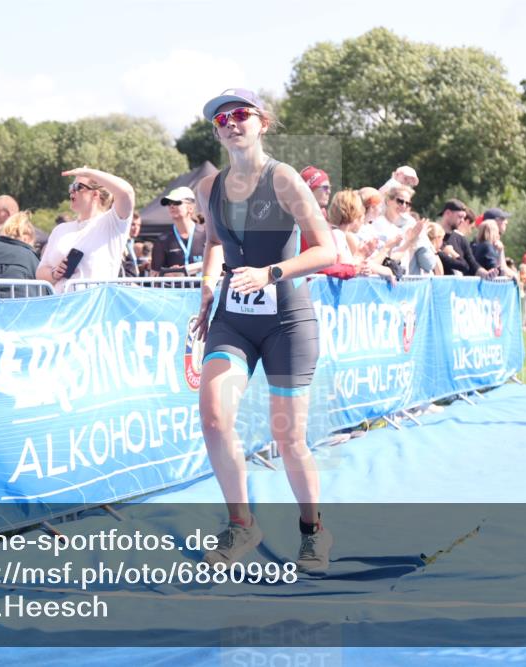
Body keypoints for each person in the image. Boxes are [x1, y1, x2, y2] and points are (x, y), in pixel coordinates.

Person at [193, 88, 336, 573]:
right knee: (214, 418)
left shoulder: (285, 179)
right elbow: (213, 241)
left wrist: (272, 273)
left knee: (289, 438)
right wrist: (209, 286)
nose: (231, 123)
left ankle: (313, 530)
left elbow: (327, 250)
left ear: (262, 123)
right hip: (233, 319)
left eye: (241, 115)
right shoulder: (208, 188)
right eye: (222, 119)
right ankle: (242, 526)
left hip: (286, 320)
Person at [36, 167, 135, 293]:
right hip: (61, 306)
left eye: (78, 187)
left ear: (95, 194)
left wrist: (89, 172)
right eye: (71, 187)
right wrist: (54, 273)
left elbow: (127, 193)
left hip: (95, 307)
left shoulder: (112, 223)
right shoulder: (60, 230)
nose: (72, 191)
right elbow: (40, 272)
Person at [151, 187, 206, 278]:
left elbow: (221, 264)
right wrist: (168, 274)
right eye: (169, 203)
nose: (171, 206)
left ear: (190, 208)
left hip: (203, 290)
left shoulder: (207, 234)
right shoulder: (163, 239)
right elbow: (154, 275)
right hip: (175, 291)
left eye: (177, 203)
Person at [437, 199, 496, 278]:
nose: (462, 221)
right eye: (460, 217)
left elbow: (472, 265)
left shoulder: (460, 239)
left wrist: (487, 274)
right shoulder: (433, 236)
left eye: (464, 217)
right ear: (448, 213)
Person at [119, 212, 143, 278]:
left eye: (139, 225)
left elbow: (130, 265)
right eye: (133, 224)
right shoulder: (121, 242)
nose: (136, 228)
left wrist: (142, 267)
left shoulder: (131, 242)